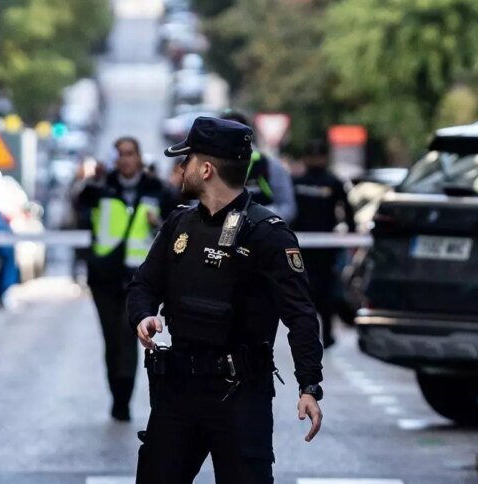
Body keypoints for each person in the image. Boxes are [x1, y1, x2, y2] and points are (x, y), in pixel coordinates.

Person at [127, 117, 324, 483]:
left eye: (185, 160)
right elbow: (143, 285)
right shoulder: (179, 225)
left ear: (206, 169)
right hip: (178, 392)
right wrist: (143, 316)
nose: (179, 168)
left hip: (240, 396)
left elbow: (300, 315)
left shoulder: (268, 234)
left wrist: (309, 385)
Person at [77, 137, 166, 422]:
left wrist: (158, 225)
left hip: (137, 279)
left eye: (131, 154)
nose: (126, 159)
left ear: (140, 157)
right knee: (111, 340)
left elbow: (176, 228)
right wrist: (92, 178)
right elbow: (77, 208)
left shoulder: (157, 189)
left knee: (128, 337)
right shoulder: (100, 189)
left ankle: (123, 401)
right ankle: (116, 393)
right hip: (104, 276)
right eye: (121, 155)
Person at [292, 139, 356, 349]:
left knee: (318, 292)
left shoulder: (331, 182)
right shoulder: (300, 181)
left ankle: (324, 334)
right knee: (312, 293)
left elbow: (348, 210)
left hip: (322, 247)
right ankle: (316, 334)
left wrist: (351, 234)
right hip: (306, 246)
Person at [219, 110, 298, 223]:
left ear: (248, 135)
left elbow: (288, 208)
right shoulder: (210, 166)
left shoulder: (269, 165)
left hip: (261, 235)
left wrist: (257, 221)